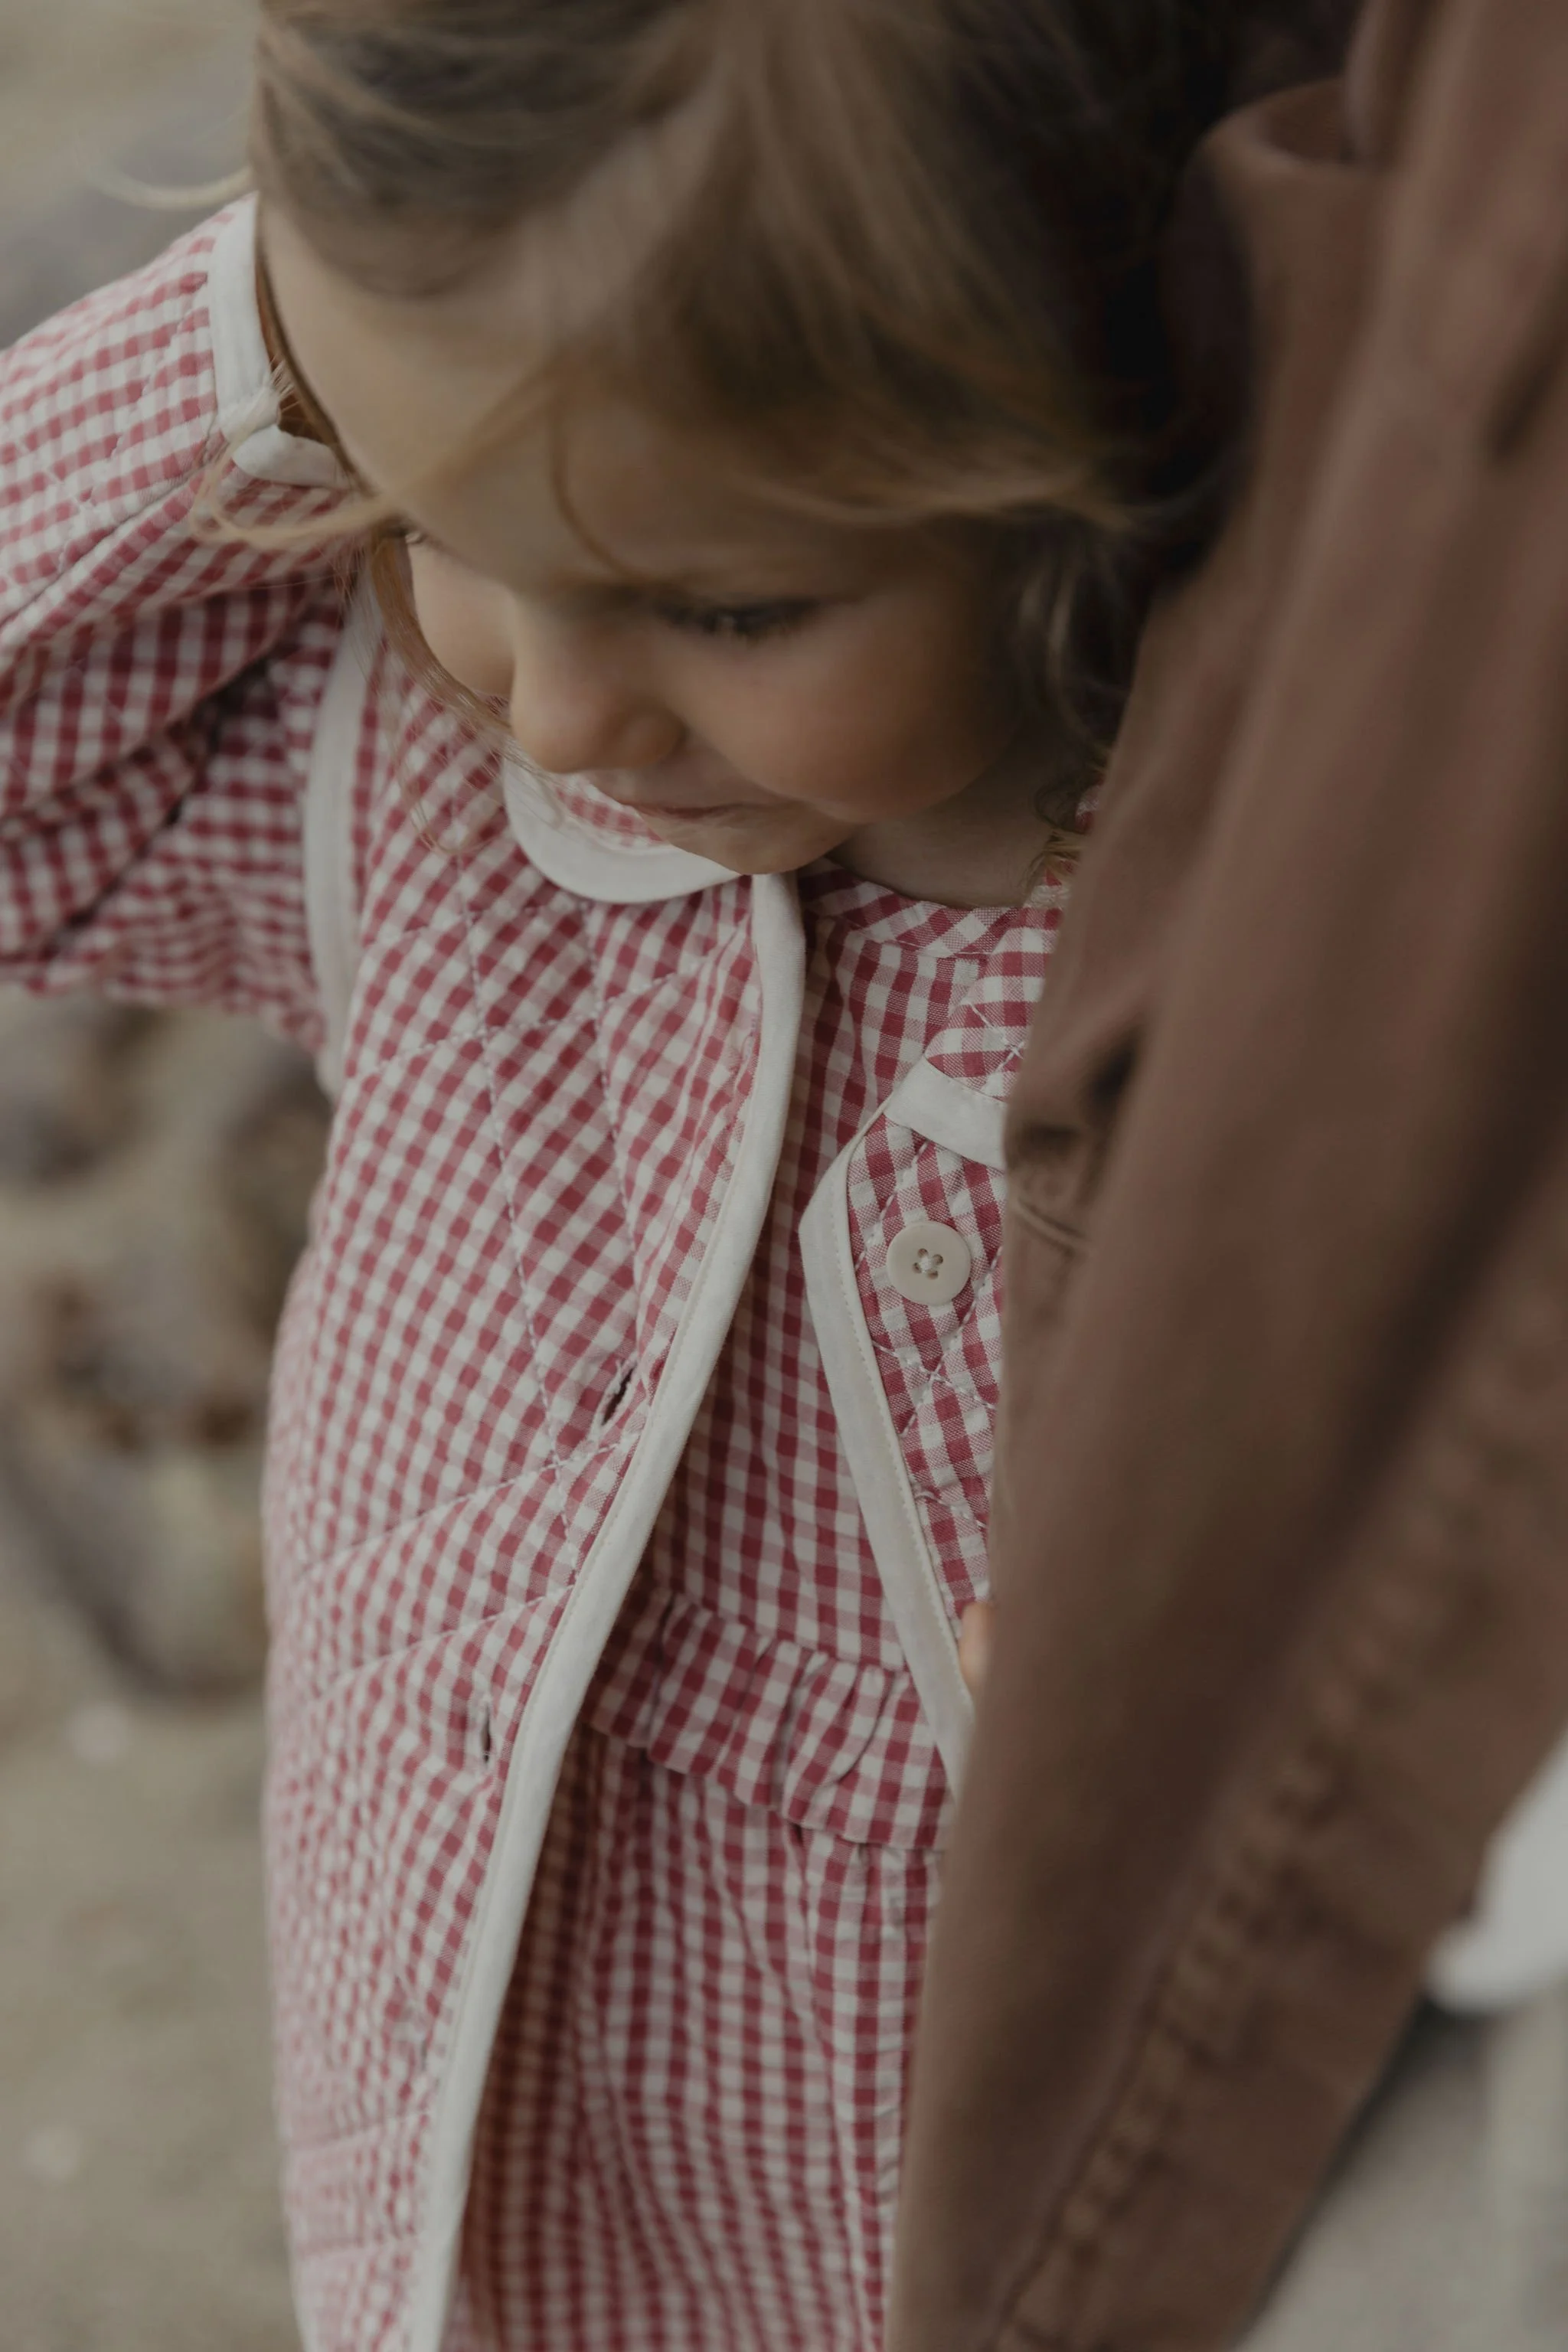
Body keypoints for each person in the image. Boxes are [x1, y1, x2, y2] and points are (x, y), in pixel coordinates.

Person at [1, 5, 1446, 2350]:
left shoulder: (1295, 963)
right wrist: (317, 313)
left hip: (1030, 2245)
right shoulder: (441, 797)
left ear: (1100, 441)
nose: (559, 706)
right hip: (471, 2198)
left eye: (726, 607)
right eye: (434, 522)